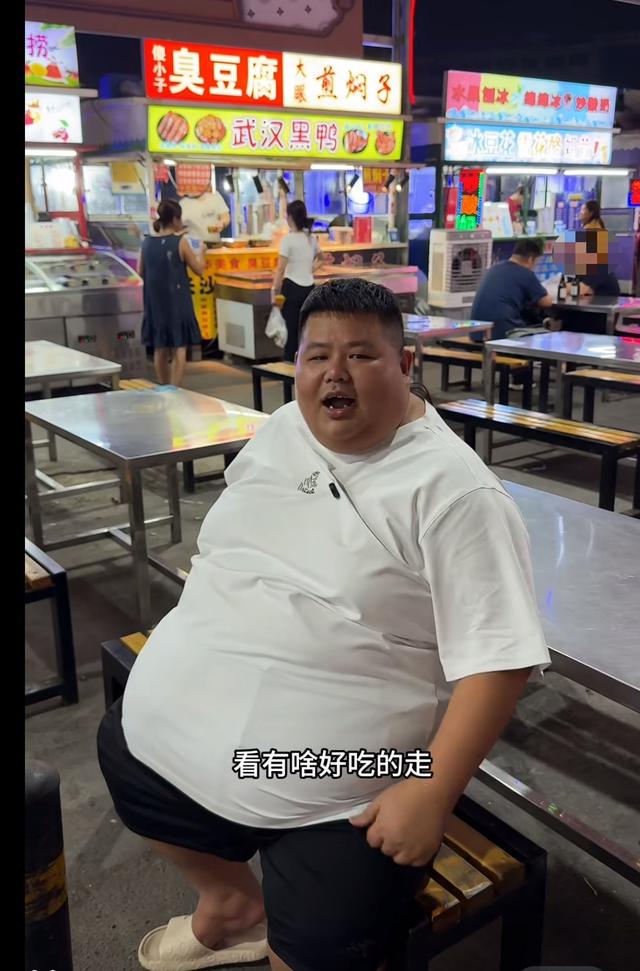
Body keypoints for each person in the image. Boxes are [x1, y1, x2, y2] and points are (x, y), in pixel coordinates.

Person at [97, 278, 550, 971]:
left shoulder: (456, 493)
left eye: (361, 355)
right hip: (191, 732)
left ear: (405, 365)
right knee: (122, 746)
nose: (335, 373)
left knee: (315, 947)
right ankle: (231, 902)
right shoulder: (285, 428)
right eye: (317, 357)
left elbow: (501, 659)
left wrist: (433, 789)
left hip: (353, 769)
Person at [139, 199, 205, 387]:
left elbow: (140, 272)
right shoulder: (180, 242)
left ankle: (164, 386)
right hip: (177, 301)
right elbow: (199, 269)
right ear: (175, 219)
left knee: (160, 347)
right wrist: (202, 252)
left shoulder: (146, 243)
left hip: (155, 302)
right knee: (179, 346)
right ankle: (175, 389)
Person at [470, 238, 554, 342]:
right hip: (503, 334)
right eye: (536, 262)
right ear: (530, 259)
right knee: (548, 334)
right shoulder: (526, 274)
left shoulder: (494, 269)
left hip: (477, 333)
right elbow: (547, 302)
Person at [271, 199, 324, 362]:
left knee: (291, 331)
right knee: (306, 330)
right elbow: (321, 258)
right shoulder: (311, 239)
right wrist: (308, 269)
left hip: (291, 288)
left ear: (290, 217)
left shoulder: (288, 240)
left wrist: (275, 290)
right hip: (309, 289)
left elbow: (280, 269)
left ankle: (290, 365)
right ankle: (307, 363)